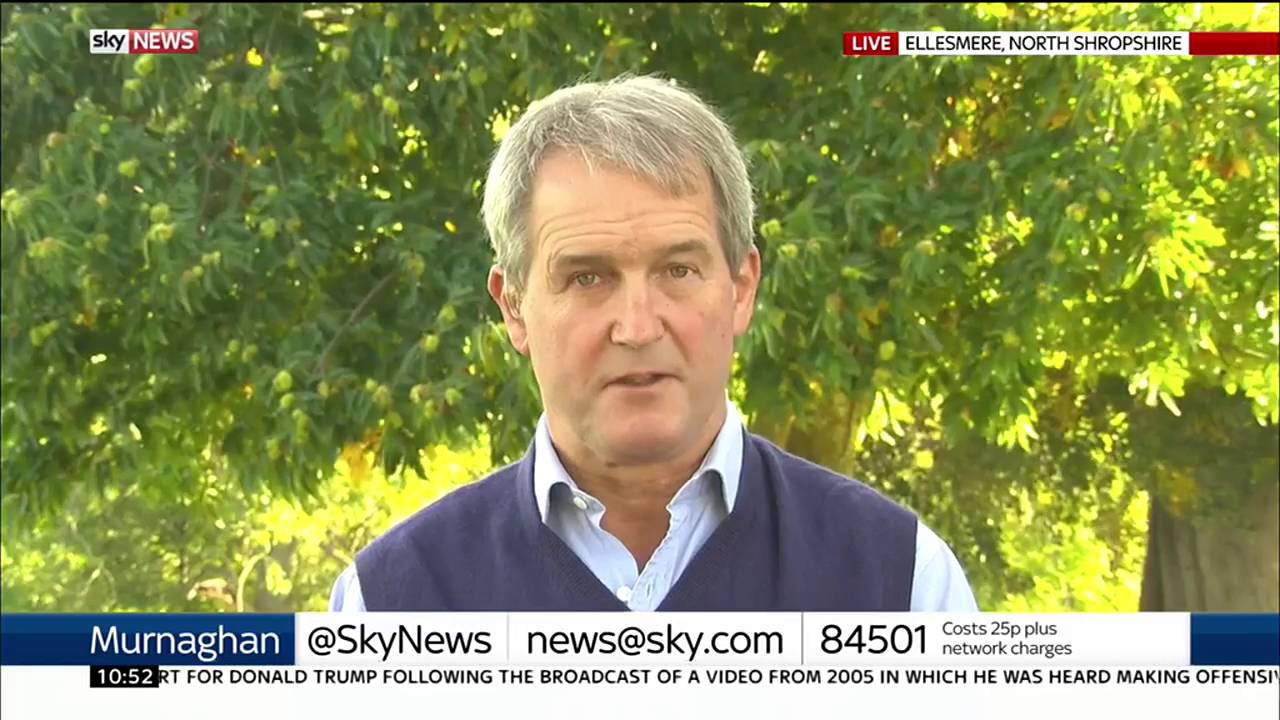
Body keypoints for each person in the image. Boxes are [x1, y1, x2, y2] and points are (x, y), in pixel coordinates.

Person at [328, 74, 977, 612]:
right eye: (587, 277)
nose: (637, 327)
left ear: (741, 288)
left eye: (678, 270)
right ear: (514, 308)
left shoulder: (904, 584)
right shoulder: (388, 607)